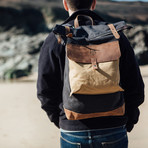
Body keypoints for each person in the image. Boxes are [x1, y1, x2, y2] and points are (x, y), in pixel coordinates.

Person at [37, 0, 144, 148]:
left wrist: (61, 120)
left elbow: (44, 90)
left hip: (72, 130)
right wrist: (129, 120)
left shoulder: (56, 37)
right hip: (114, 127)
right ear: (93, 3)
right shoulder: (115, 35)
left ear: (65, 4)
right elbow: (135, 86)